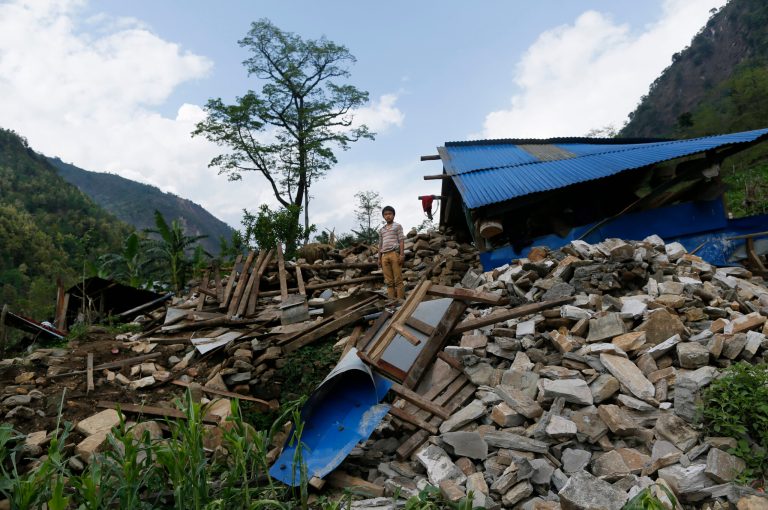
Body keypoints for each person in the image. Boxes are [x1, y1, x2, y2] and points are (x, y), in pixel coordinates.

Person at [378, 205, 405, 299]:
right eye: (385, 214)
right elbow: (380, 245)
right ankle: (391, 302)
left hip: (394, 253)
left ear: (393, 215)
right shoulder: (382, 230)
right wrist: (379, 258)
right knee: (389, 281)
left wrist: (401, 255)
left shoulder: (397, 226)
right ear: (383, 216)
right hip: (384, 256)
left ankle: (400, 301)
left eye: (390, 214)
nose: (388, 216)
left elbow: (401, 240)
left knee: (398, 279)